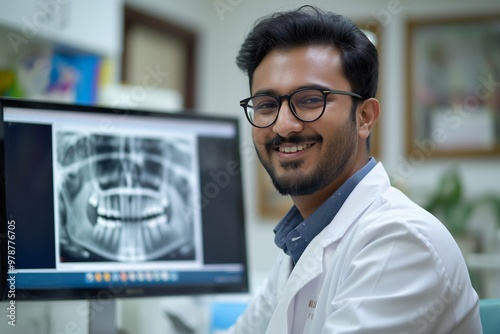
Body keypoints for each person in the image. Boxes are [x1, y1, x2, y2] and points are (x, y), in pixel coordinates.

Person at [228, 5, 482, 334]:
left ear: (364, 118)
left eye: (309, 99)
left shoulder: (401, 241)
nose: (284, 125)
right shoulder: (301, 241)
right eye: (266, 105)